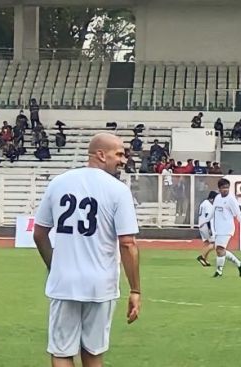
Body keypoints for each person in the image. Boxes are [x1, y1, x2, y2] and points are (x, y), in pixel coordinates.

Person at [33, 132, 141, 367]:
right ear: (101, 155)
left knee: (62, 352)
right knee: (93, 353)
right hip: (100, 284)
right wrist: (135, 289)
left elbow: (40, 233)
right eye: (119, 154)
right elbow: (127, 242)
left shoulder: (59, 183)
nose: (123, 160)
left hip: (65, 282)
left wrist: (55, 267)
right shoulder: (117, 190)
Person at [211, 178, 241, 278]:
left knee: (220, 249)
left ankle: (219, 271)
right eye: (223, 188)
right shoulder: (217, 198)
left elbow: (238, 214)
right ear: (219, 189)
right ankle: (240, 264)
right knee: (220, 250)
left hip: (227, 228)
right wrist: (209, 223)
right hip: (218, 228)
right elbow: (213, 211)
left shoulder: (231, 199)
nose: (225, 190)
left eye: (227, 187)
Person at [196, 191, 218, 267]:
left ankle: (205, 259)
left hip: (201, 225)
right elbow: (208, 218)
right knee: (214, 244)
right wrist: (210, 229)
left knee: (207, 243)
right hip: (206, 225)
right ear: (212, 199)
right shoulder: (208, 205)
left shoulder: (203, 203)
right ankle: (201, 257)